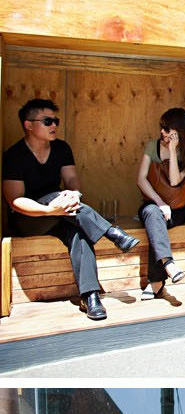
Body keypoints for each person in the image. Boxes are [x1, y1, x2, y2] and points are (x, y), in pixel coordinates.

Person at [1, 97, 139, 322]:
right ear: (28, 124)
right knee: (56, 197)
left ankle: (90, 296)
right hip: (29, 218)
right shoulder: (14, 156)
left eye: (55, 120)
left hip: (61, 213)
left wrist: (73, 194)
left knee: (79, 233)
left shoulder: (61, 148)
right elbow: (15, 201)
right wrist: (49, 210)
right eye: (47, 121)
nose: (54, 125)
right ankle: (111, 232)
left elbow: (72, 178)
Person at [136, 108, 185, 297]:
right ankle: (168, 265)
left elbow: (174, 181)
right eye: (161, 127)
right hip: (153, 204)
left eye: (167, 128)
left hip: (178, 209)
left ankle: (156, 282)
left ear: (179, 131)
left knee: (156, 225)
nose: (162, 131)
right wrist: (159, 201)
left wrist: (172, 150)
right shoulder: (152, 146)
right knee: (154, 214)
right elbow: (141, 179)